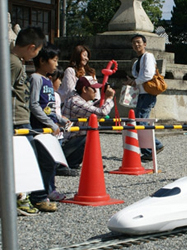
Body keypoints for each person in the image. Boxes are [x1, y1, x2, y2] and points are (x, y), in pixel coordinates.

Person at [29, 44, 72, 207]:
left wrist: (61, 120)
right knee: (44, 161)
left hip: (50, 127)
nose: (56, 64)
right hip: (40, 128)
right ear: (42, 60)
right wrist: (49, 123)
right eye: (54, 60)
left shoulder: (48, 80)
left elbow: (50, 108)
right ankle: (41, 193)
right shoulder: (35, 78)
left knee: (51, 161)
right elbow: (34, 105)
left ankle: (50, 189)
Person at [11, 26, 45, 216]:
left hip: (21, 118)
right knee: (25, 162)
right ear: (32, 47)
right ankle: (21, 199)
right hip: (16, 119)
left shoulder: (16, 62)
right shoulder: (13, 64)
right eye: (38, 51)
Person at [124, 34, 164, 161]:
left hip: (147, 94)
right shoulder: (137, 61)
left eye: (139, 42)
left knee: (141, 121)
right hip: (140, 93)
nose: (136, 45)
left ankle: (154, 146)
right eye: (134, 43)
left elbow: (148, 74)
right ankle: (149, 149)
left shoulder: (148, 56)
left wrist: (135, 82)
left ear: (145, 44)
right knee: (139, 121)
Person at [62, 77, 115, 170]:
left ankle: (90, 162)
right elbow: (102, 112)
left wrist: (105, 97)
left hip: (72, 142)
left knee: (89, 135)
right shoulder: (75, 102)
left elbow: (92, 108)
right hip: (67, 144)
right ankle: (70, 164)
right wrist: (110, 98)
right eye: (93, 89)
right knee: (88, 136)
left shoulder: (79, 100)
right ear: (84, 89)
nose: (96, 92)